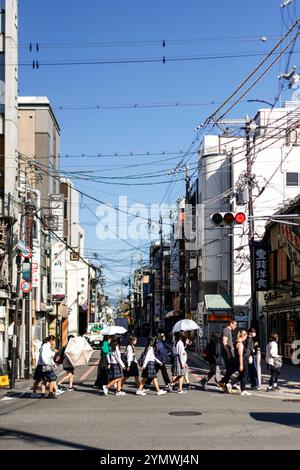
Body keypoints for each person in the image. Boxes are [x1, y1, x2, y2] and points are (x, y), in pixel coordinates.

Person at [230, 330, 251, 396]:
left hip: (240, 361)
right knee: (244, 375)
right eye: (245, 336)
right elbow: (240, 355)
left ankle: (231, 384)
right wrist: (241, 364)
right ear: (243, 336)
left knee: (241, 376)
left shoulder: (237, 342)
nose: (246, 338)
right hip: (242, 362)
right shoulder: (240, 344)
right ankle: (243, 390)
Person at [219, 319, 238, 392]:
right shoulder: (226, 330)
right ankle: (223, 381)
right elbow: (224, 342)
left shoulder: (228, 331)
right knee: (233, 367)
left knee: (229, 368)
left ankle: (225, 383)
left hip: (228, 352)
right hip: (227, 352)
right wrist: (228, 353)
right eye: (235, 325)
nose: (236, 326)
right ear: (231, 324)